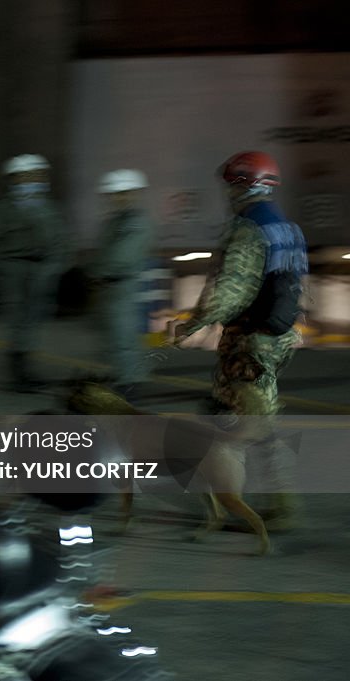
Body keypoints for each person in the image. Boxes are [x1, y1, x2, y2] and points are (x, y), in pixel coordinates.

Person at [169, 151, 308, 529]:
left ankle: (268, 509)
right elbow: (298, 287)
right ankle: (255, 502)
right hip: (275, 338)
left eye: (232, 185)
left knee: (245, 426)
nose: (228, 193)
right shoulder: (288, 227)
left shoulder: (248, 227)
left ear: (245, 184)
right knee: (237, 415)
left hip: (250, 342)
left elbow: (231, 288)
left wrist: (193, 323)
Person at [0, 154, 69, 392]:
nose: (35, 179)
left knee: (33, 320)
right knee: (17, 321)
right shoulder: (3, 209)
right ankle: (19, 374)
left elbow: (62, 239)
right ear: (16, 179)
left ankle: (28, 370)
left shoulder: (48, 208)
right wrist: (1, 266)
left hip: (41, 270)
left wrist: (56, 265)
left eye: (37, 175)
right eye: (28, 176)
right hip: (13, 270)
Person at [89, 169, 155, 394]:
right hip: (111, 285)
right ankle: (121, 375)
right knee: (114, 335)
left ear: (134, 194)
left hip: (122, 283)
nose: (118, 198)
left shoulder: (137, 222)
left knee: (124, 335)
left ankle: (129, 383)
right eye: (115, 194)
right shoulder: (116, 221)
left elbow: (121, 256)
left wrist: (99, 272)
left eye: (124, 193)